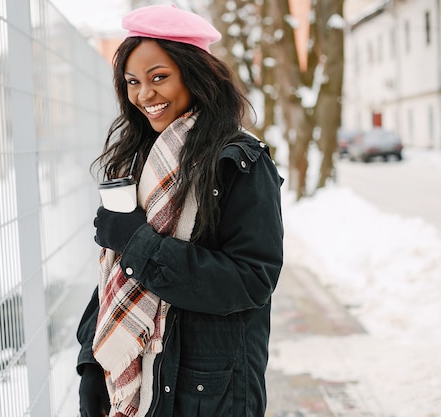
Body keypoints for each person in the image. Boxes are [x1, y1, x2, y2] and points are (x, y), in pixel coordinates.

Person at [76, 5, 284, 417]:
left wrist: (136, 242)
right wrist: (91, 364)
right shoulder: (138, 160)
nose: (144, 95)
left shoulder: (238, 162)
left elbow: (250, 281)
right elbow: (115, 277)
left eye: (159, 78)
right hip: (137, 381)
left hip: (212, 392)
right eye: (133, 82)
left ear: (195, 73)